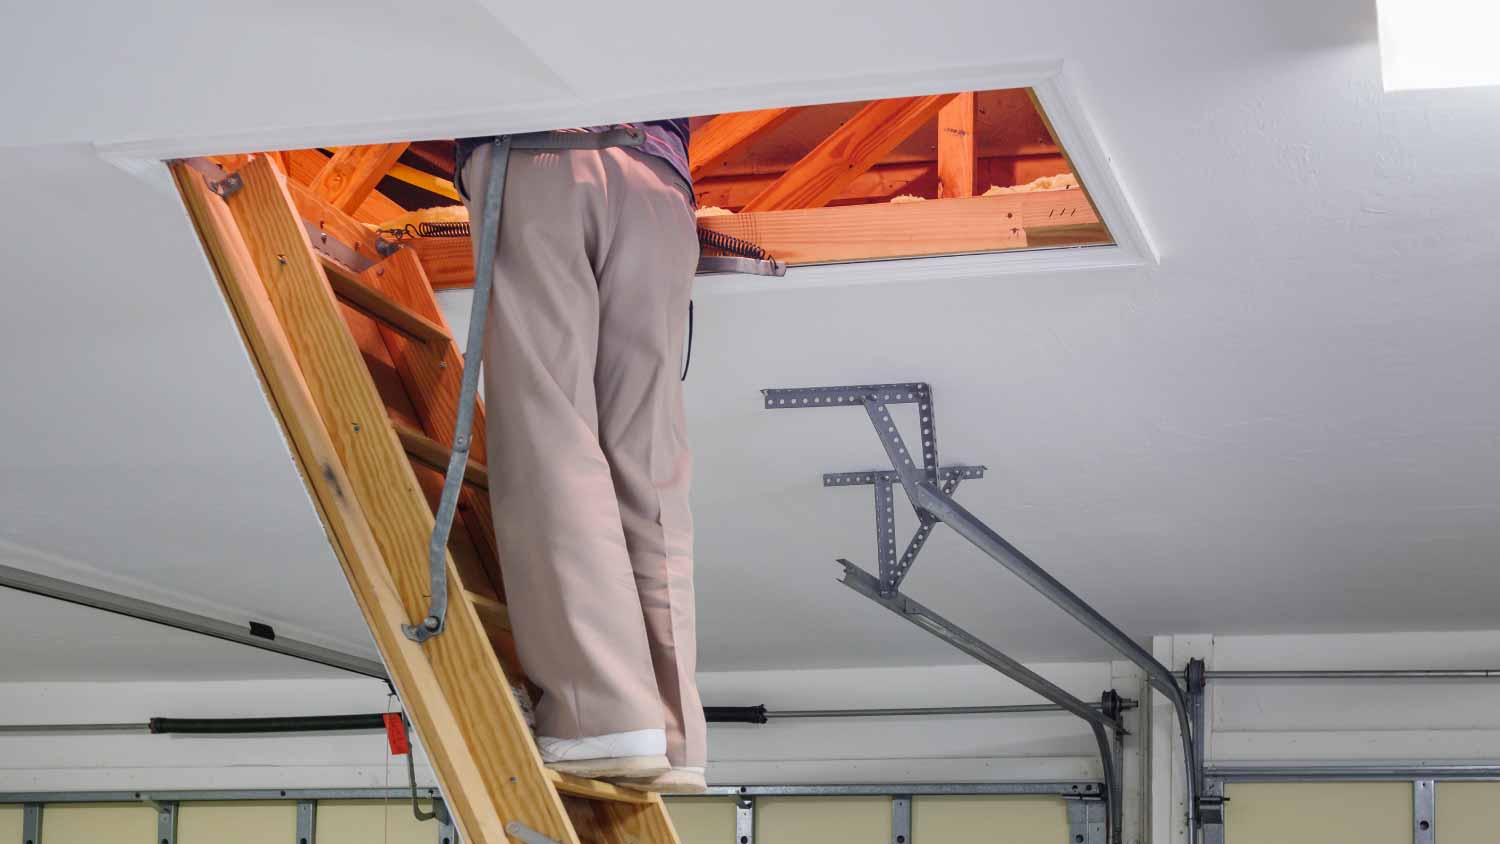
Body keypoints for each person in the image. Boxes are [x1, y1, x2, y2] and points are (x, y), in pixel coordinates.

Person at [454, 121, 706, 793]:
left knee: (551, 437)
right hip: (662, 188)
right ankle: (674, 736)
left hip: (539, 157)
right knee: (651, 474)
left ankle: (600, 717)